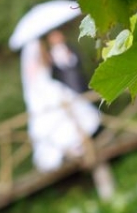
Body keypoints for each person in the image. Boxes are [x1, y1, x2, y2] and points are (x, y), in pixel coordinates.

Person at [20, 38, 100, 172]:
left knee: (68, 113)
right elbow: (34, 80)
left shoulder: (44, 58)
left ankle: (76, 145)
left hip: (49, 89)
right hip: (44, 92)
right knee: (57, 117)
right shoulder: (34, 65)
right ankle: (69, 149)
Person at [45, 29, 88, 94]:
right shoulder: (49, 55)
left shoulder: (71, 47)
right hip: (64, 86)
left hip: (79, 82)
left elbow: (79, 61)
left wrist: (70, 56)